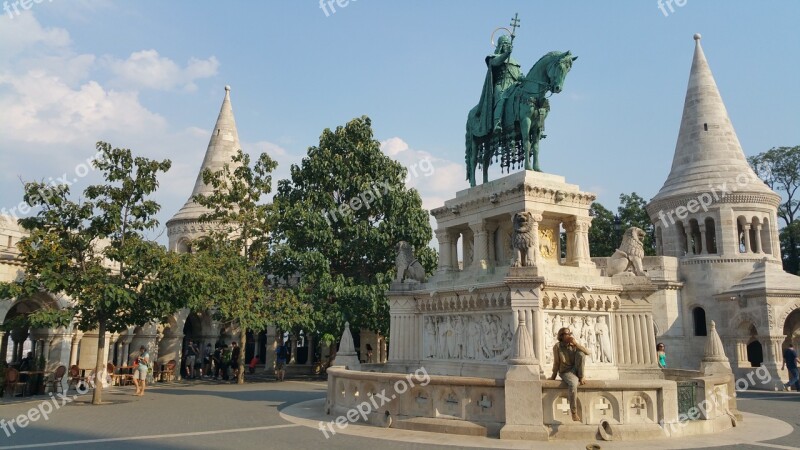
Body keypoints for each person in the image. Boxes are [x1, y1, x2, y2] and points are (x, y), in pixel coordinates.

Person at [474, 34, 522, 136]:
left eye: (509, 44)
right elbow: (496, 63)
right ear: (500, 45)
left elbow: (519, 74)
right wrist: (507, 54)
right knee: (501, 97)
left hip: (513, 85)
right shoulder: (493, 57)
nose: (507, 46)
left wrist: (523, 78)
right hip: (500, 85)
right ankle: (497, 123)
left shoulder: (515, 62)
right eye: (505, 44)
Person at [549, 327, 590, 422]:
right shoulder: (557, 347)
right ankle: (574, 412)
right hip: (566, 372)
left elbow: (587, 353)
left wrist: (576, 344)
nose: (568, 336)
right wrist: (553, 376)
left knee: (581, 354)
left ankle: (581, 376)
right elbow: (556, 363)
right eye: (566, 334)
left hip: (576, 370)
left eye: (569, 334)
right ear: (561, 336)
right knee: (573, 384)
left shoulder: (573, 345)